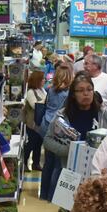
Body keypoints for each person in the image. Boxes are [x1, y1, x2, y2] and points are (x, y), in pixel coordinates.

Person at [43, 72, 107, 212]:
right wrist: (70, 151)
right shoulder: (63, 116)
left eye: (89, 89)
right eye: (81, 90)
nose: (86, 94)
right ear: (73, 94)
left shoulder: (102, 114)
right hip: (72, 173)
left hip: (97, 175)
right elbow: (48, 141)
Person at [39, 63, 74, 201]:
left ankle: (43, 193)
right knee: (58, 165)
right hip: (59, 128)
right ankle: (52, 196)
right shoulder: (69, 93)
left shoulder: (50, 89)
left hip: (46, 124)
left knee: (48, 163)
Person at [22, 71, 46, 171]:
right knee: (31, 143)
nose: (44, 80)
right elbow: (34, 105)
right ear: (37, 80)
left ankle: (36, 164)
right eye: (42, 79)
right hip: (32, 123)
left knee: (38, 144)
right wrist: (46, 100)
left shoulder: (42, 90)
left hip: (40, 123)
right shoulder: (31, 92)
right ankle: (24, 163)